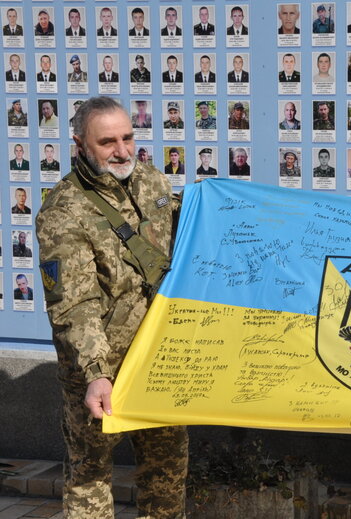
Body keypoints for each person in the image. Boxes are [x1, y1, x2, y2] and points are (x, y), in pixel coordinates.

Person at [36, 96, 188, 517]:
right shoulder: (64, 211)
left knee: (167, 475)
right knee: (90, 478)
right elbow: (73, 302)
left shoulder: (153, 183)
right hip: (101, 370)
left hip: (158, 360)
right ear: (80, 144)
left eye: (128, 137)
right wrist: (96, 373)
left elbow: (187, 241)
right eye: (107, 142)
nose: (123, 151)